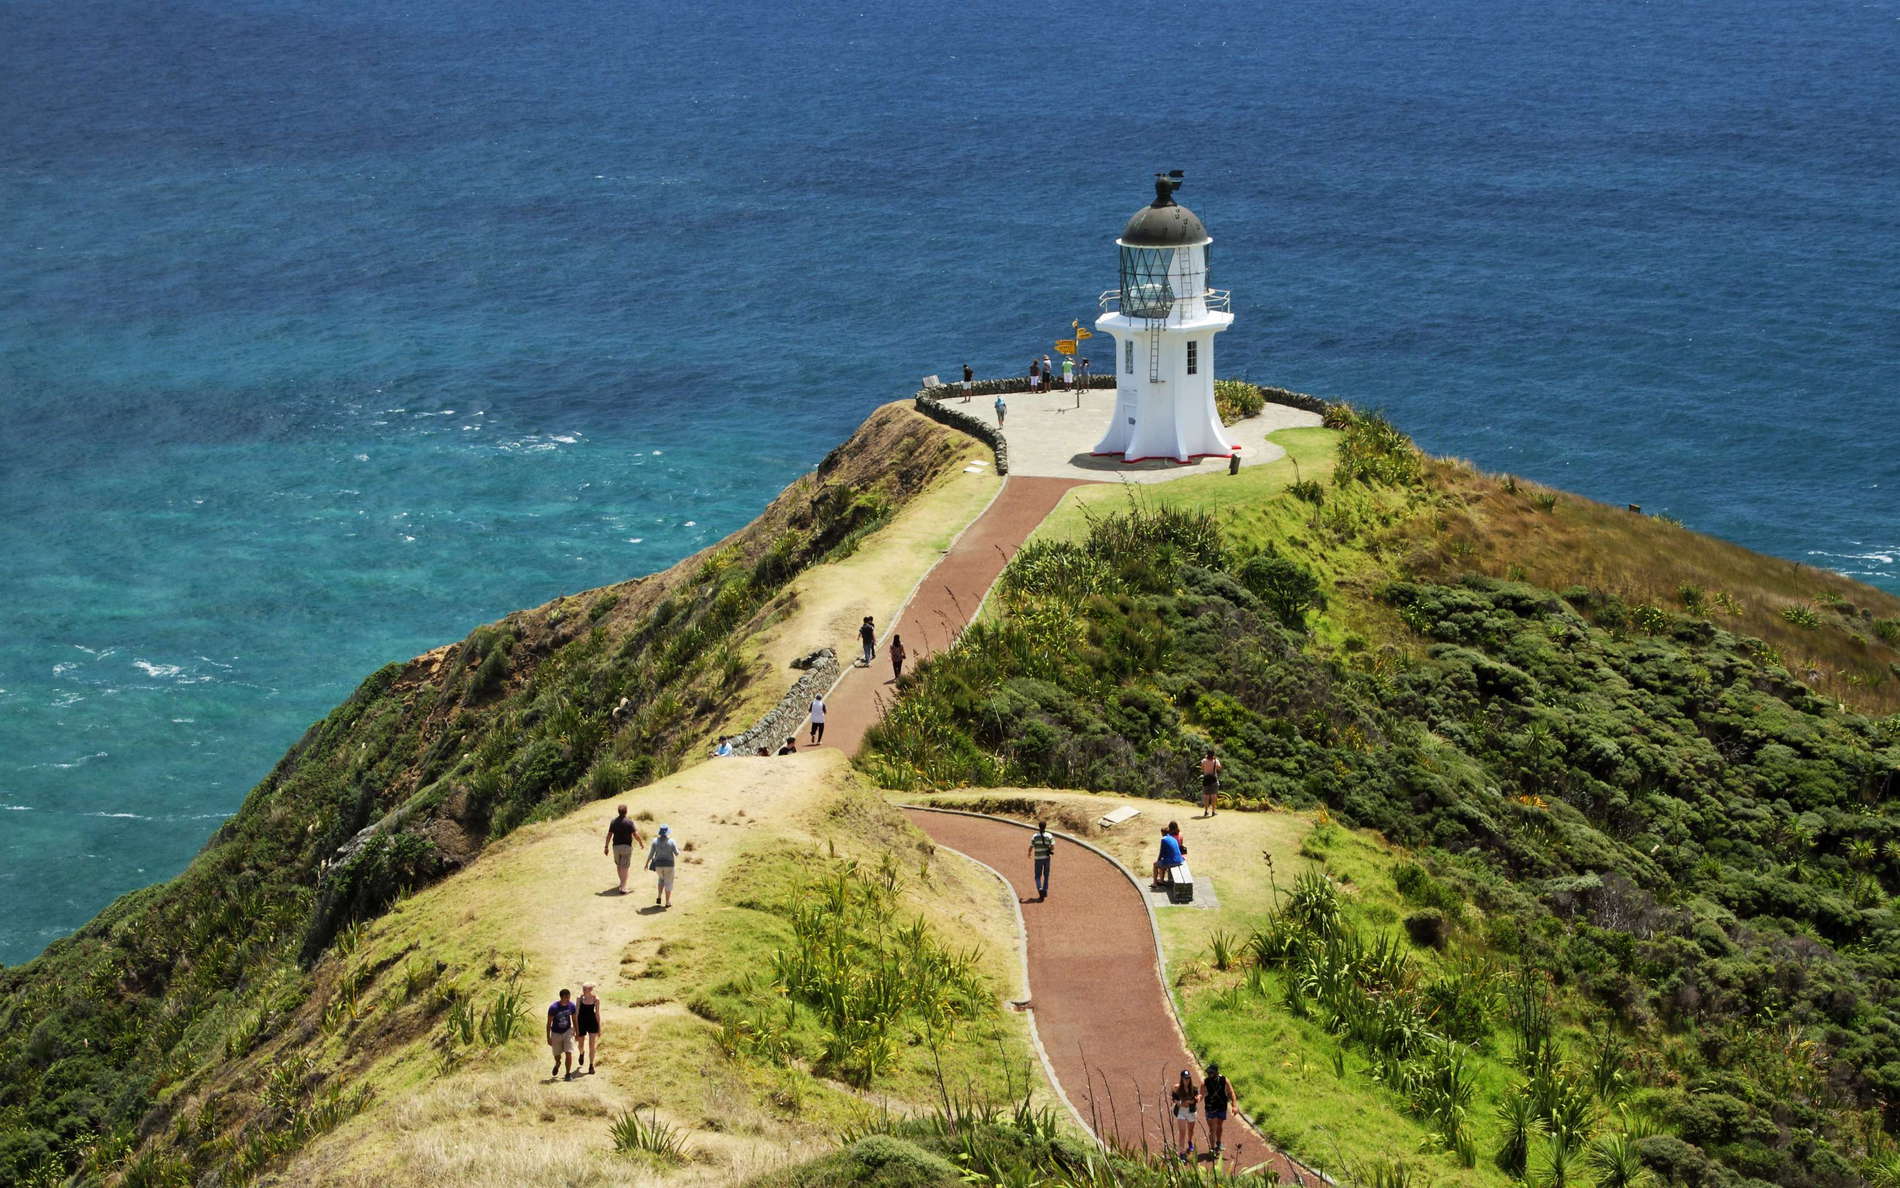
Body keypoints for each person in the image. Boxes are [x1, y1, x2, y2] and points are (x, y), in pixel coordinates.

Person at [604, 804, 643, 894]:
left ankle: (622, 883)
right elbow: (635, 835)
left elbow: (609, 835)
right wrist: (640, 843)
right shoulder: (629, 822)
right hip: (626, 847)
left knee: (619, 865)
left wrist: (606, 847)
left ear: (618, 811)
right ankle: (623, 888)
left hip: (616, 847)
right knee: (624, 867)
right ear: (626, 812)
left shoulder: (613, 822)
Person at [1202, 1062, 1235, 1156]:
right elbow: (1201, 1093)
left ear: (1216, 1072)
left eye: (1211, 1073)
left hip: (1221, 1107)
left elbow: (1231, 1092)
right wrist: (1198, 1097)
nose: (1209, 1075)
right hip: (1210, 1108)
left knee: (1219, 1126)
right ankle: (1212, 1149)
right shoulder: (1205, 1082)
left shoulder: (1224, 1080)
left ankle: (1219, 1143)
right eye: (1208, 1073)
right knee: (1212, 1128)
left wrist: (1234, 1105)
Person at [547, 988, 579, 1080]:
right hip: (556, 1033)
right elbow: (549, 1023)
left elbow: (574, 1019)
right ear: (562, 997)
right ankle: (557, 1063)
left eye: (569, 997)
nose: (568, 999)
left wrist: (577, 1031)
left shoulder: (571, 1006)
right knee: (557, 1055)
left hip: (567, 1032)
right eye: (566, 998)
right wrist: (548, 1037)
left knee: (568, 1052)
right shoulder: (553, 1008)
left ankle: (568, 1074)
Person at [1170, 1069, 1201, 1160]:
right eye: (1185, 1078)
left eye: (1188, 1078)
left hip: (1191, 1111)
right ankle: (1182, 1153)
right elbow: (1174, 1098)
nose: (1186, 1080)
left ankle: (1190, 1141)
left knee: (1190, 1130)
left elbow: (1196, 1100)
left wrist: (1193, 1100)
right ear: (1181, 1079)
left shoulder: (1194, 1089)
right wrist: (1179, 1103)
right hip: (1181, 1112)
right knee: (1182, 1132)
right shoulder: (1177, 1088)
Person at [646, 825, 680, 908]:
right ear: (668, 832)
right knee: (668, 883)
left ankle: (659, 896)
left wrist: (646, 863)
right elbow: (676, 853)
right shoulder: (671, 841)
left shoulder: (655, 841)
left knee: (661, 879)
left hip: (658, 866)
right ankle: (667, 902)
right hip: (669, 866)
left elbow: (651, 854)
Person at [576, 983, 602, 1074]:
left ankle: (591, 1065)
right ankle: (581, 1053)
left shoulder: (596, 999)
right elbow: (576, 1013)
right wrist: (576, 1028)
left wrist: (599, 1028)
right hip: (581, 1022)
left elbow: (597, 1014)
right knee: (580, 1045)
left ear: (590, 990)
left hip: (592, 1022)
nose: (583, 990)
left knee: (592, 1045)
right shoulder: (579, 998)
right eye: (583, 988)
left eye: (585, 989)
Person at [1028, 820, 1056, 900]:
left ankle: (1040, 889)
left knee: (1037, 876)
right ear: (1045, 826)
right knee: (1046, 875)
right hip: (1046, 858)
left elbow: (1031, 846)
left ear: (1039, 826)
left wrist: (1029, 853)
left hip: (1038, 858)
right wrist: (1049, 849)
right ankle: (1045, 890)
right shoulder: (1049, 835)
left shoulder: (1034, 836)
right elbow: (1053, 846)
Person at [1200, 748, 1223, 817]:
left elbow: (1202, 768)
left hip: (1206, 780)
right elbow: (1219, 768)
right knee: (1213, 796)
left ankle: (1206, 811)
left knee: (1206, 796)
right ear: (1213, 755)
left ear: (1207, 754)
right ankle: (1213, 812)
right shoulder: (1216, 761)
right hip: (1214, 780)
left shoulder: (1204, 760)